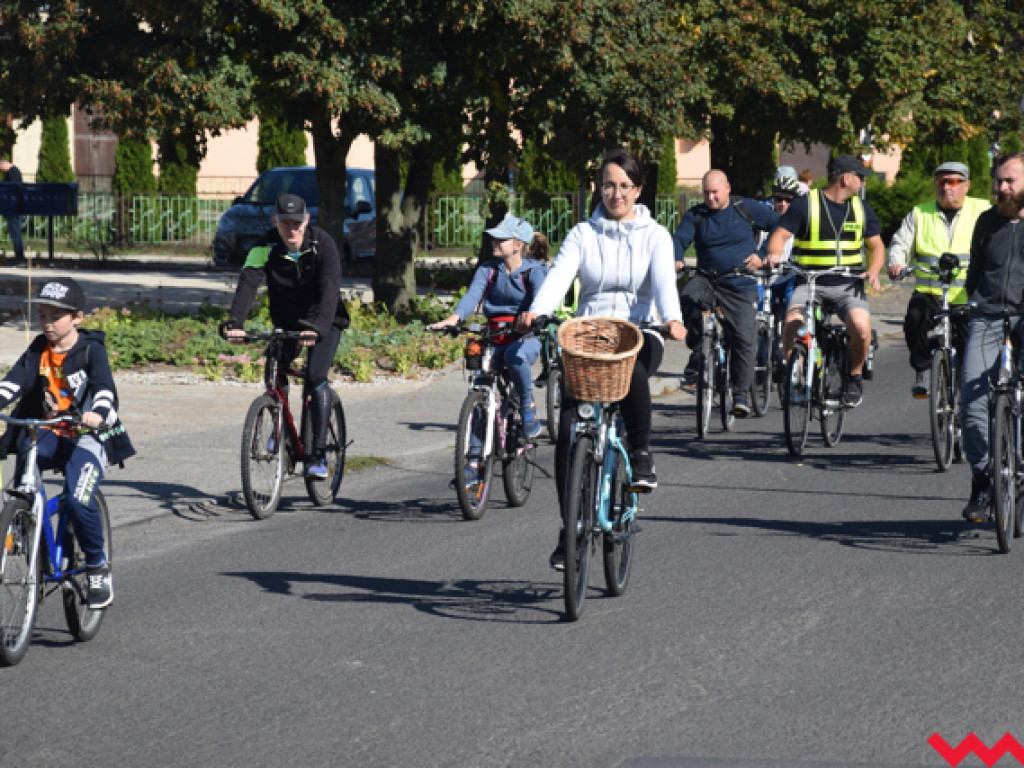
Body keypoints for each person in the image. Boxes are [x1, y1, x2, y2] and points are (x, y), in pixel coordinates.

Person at [519, 150, 684, 570]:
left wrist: (672, 318)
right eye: (609, 184)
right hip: (590, 336)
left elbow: (665, 281)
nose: (616, 193)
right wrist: (537, 310)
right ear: (599, 187)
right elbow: (560, 276)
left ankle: (642, 454)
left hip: (641, 330)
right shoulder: (583, 234)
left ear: (638, 190)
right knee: (571, 426)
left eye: (624, 186)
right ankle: (569, 526)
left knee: (634, 374)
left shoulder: (655, 235)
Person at [0, 277, 134, 608]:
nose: (46, 323)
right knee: (27, 448)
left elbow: (104, 389)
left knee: (77, 500)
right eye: (42, 315)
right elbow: (12, 384)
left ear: (77, 318)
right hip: (50, 429)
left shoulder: (91, 350)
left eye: (54, 316)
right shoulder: (37, 350)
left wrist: (98, 413)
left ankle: (96, 566)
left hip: (89, 436)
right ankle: (25, 520)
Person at [222, 194, 346, 479]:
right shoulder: (264, 246)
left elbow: (330, 290)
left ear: (307, 220)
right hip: (287, 321)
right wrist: (235, 323)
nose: (292, 229)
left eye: (297, 222)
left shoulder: (322, 245)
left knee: (315, 376)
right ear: (274, 221)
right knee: (274, 370)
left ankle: (318, 456)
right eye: (285, 222)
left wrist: (317, 328)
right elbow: (248, 283)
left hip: (324, 321)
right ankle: (281, 433)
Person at [765, 154, 886, 408]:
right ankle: (793, 370)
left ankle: (853, 376)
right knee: (791, 323)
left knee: (861, 329)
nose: (863, 183)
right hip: (809, 282)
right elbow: (780, 235)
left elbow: (876, 246)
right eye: (860, 178)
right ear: (846, 178)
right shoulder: (805, 204)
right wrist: (774, 255)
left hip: (847, 284)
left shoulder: (861, 208)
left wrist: (874, 270)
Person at [428, 216, 549, 446]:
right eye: (494, 238)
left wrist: (532, 318)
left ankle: (527, 406)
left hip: (525, 336)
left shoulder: (534, 272)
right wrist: (453, 319)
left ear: (517, 245)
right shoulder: (488, 270)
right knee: (480, 384)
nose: (494, 242)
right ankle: (473, 464)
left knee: (516, 356)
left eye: (501, 239)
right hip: (494, 336)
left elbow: (541, 301)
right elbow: (472, 296)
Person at [673, 169, 780, 416]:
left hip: (739, 282)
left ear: (728, 188)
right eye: (706, 193)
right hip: (707, 277)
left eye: (715, 192)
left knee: (744, 336)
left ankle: (740, 394)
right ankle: (700, 347)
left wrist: (763, 255)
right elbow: (679, 239)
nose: (710, 198)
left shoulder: (746, 208)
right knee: (687, 297)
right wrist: (676, 258)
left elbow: (778, 225)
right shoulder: (697, 215)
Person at [887, 161, 988, 397]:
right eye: (941, 182)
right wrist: (896, 262)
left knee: (969, 345)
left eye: (953, 182)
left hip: (967, 293)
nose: (946, 187)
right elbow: (901, 242)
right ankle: (922, 370)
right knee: (914, 320)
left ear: (966, 185)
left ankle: (966, 393)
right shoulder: (920, 213)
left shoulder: (982, 210)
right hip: (929, 291)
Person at [960, 152, 1024, 521]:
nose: (1002, 188)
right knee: (972, 402)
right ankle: (983, 477)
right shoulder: (986, 221)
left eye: (1010, 181)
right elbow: (977, 267)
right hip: (986, 316)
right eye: (998, 181)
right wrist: (970, 302)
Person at [0, 158, 25, 261]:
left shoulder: (12, 173)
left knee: (15, 232)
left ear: (3, 164)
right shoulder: (12, 172)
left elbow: (12, 189)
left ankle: (19, 256)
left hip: (14, 208)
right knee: (15, 232)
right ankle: (18, 255)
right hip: (14, 207)